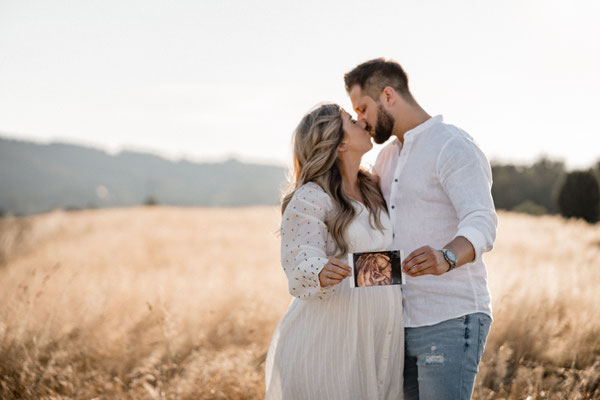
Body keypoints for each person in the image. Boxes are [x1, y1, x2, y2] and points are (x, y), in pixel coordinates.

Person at [344, 58, 498, 400]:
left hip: (450, 317)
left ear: (388, 95)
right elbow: (386, 237)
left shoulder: (451, 144)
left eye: (362, 108)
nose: (361, 120)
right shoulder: (386, 159)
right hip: (398, 325)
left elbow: (482, 220)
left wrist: (447, 256)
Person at [265, 103, 404, 399]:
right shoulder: (311, 197)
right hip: (329, 341)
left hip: (379, 341)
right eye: (352, 121)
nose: (364, 124)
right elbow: (299, 257)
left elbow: (382, 268)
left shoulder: (374, 191)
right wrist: (319, 270)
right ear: (340, 143)